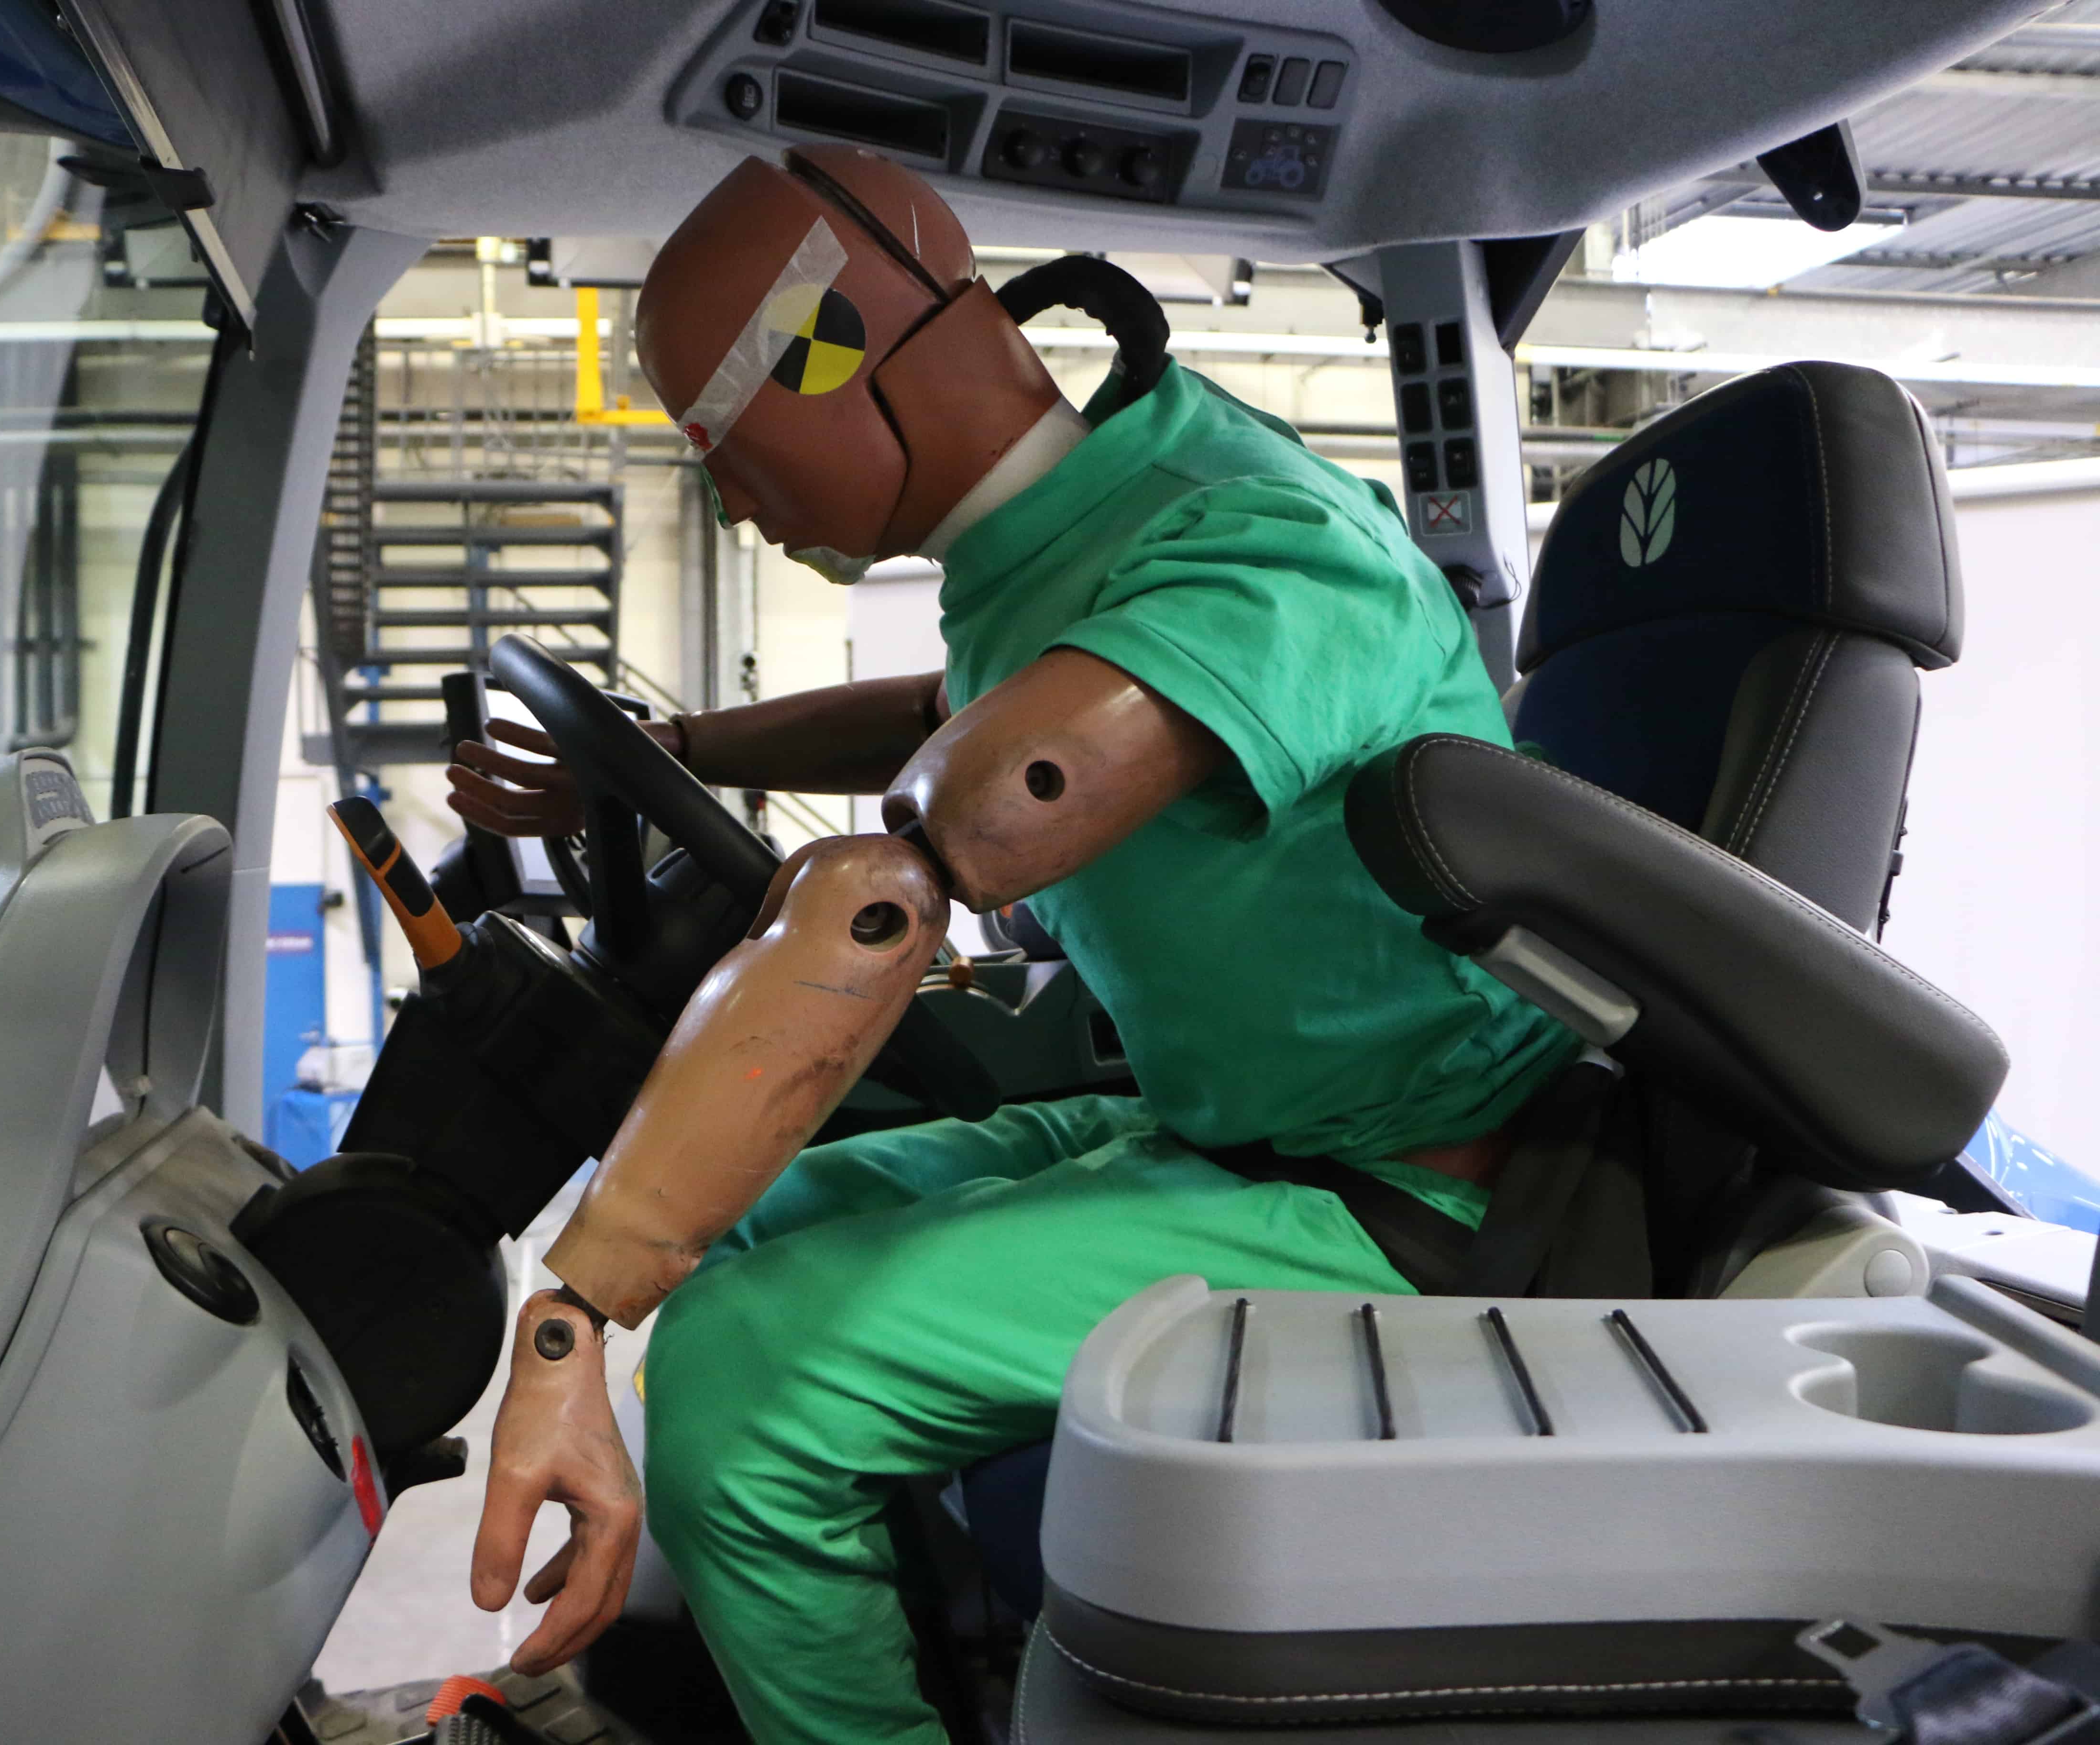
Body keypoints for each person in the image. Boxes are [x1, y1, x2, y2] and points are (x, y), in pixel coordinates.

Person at [443, 143, 1575, 1745]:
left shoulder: (1252, 542)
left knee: (751, 1386)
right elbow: (943, 717)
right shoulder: (1064, 540)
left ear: (841, 363)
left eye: (741, 454)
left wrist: (566, 1317)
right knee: (759, 1219)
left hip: (1399, 1184)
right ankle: (827, 1650)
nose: (739, 508)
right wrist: (679, 744)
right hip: (1228, 1124)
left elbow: (926, 852)